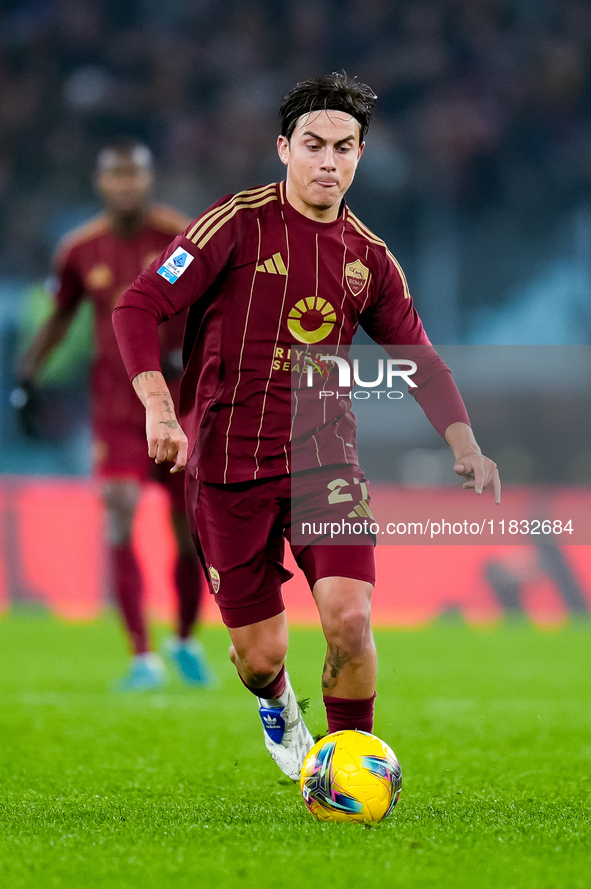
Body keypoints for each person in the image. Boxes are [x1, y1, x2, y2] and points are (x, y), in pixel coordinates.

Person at [113, 74, 500, 777]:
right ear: (284, 148)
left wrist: (464, 442)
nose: (328, 161)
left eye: (344, 148)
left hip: (325, 464)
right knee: (258, 656)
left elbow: (421, 360)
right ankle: (277, 701)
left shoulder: (370, 259)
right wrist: (159, 406)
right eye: (314, 145)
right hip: (227, 468)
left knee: (350, 620)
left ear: (360, 156)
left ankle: (349, 767)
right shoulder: (234, 223)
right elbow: (137, 307)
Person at [15, 138, 213, 691]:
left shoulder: (180, 239)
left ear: (149, 179)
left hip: (177, 404)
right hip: (116, 409)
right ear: (101, 183)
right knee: (119, 508)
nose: (125, 185)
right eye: (115, 177)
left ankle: (184, 638)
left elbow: (215, 303)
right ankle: (142, 656)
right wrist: (26, 374)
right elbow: (60, 316)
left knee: (188, 531)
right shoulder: (80, 251)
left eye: (134, 175)